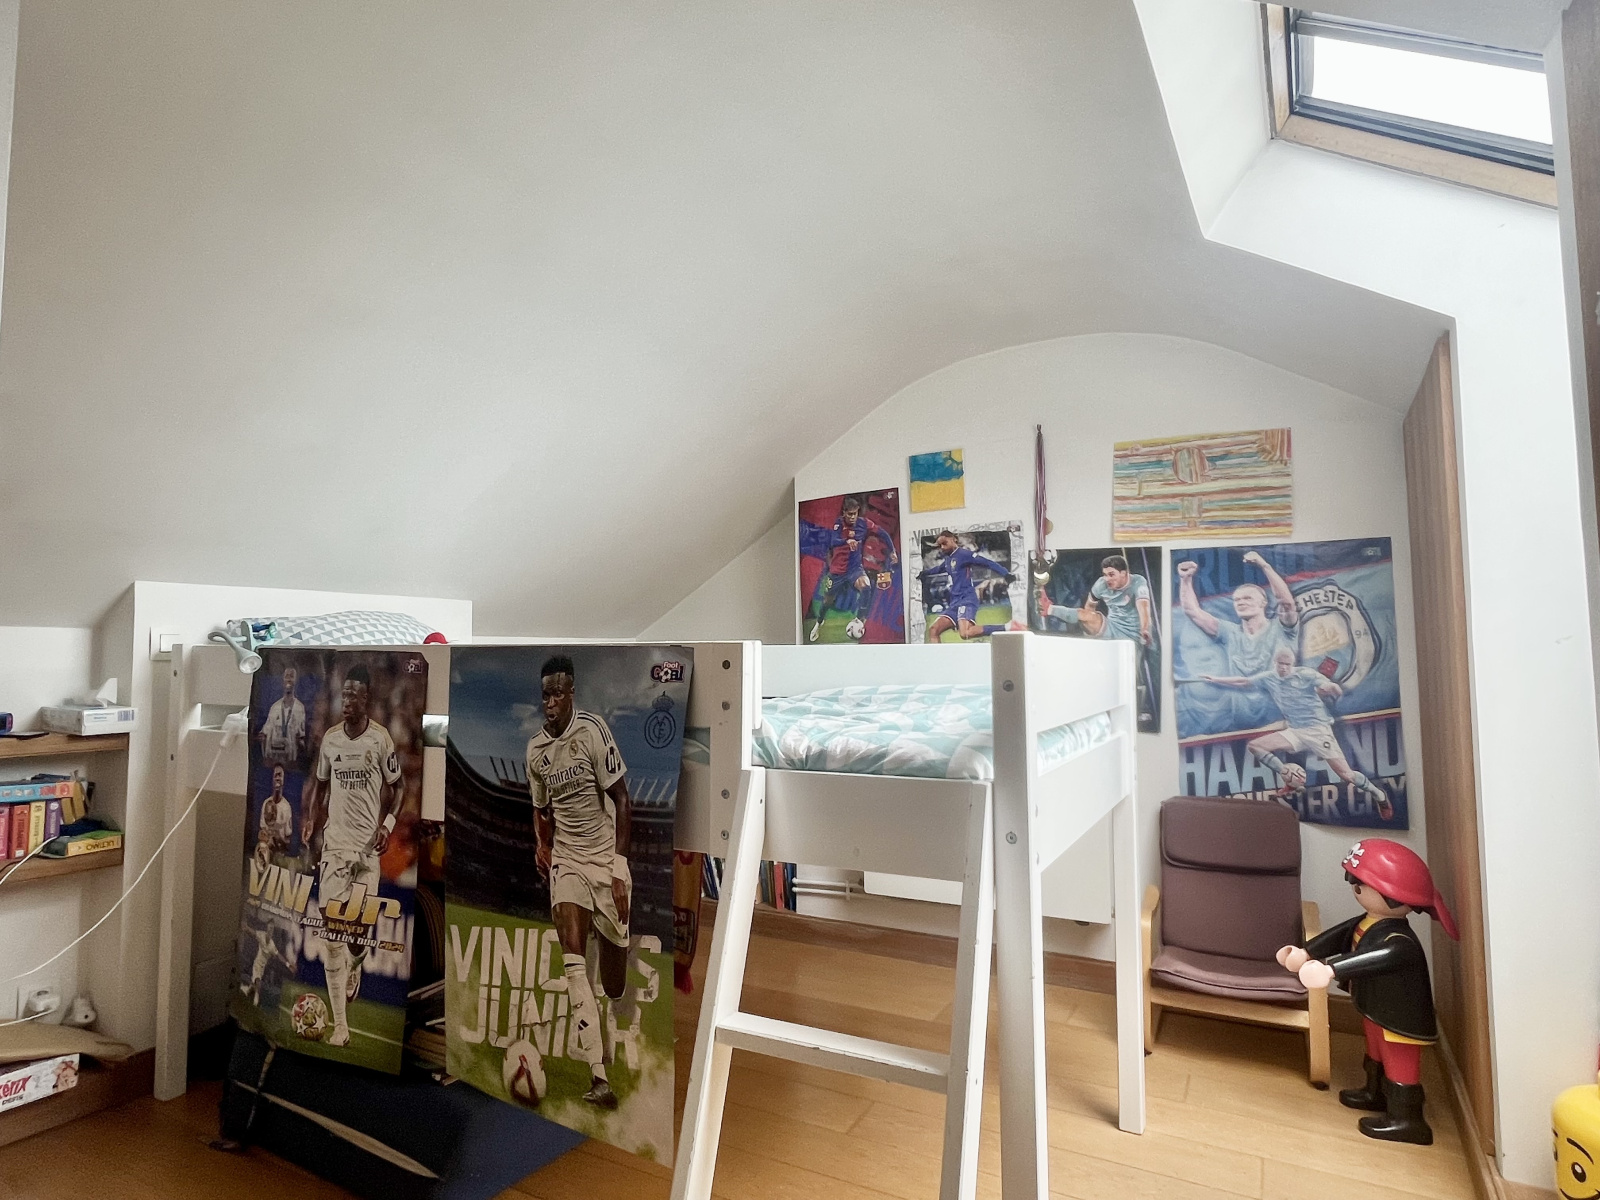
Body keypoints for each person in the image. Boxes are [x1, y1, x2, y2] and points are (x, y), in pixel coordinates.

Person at [1279, 839, 1458, 1145]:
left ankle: (1407, 1120)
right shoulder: (1368, 923)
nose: (1355, 889)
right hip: (1376, 1008)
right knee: (1375, 1051)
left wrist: (1331, 969)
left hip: (1400, 1017)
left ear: (1393, 896)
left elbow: (1371, 958)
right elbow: (1339, 936)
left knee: (1399, 1062)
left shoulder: (1398, 941)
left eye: (1359, 884)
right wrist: (1306, 953)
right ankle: (1374, 1092)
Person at [527, 654, 632, 1110]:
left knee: (614, 983)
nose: (550, 702)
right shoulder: (536, 751)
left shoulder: (592, 731)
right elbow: (540, 808)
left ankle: (615, 950)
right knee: (574, 963)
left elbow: (622, 799)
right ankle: (599, 1076)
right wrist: (543, 844)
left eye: (558, 693)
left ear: (572, 694)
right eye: (545, 695)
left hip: (605, 861)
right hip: (567, 861)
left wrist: (620, 868)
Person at [302, 664, 402, 1048]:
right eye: (343, 694)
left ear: (366, 699)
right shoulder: (330, 740)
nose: (346, 701)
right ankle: (340, 1028)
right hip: (335, 847)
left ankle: (356, 963)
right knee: (333, 936)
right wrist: (311, 820)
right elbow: (320, 785)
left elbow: (399, 788)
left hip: (367, 851)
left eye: (353, 695)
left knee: (357, 936)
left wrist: (387, 826)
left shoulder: (380, 739)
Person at [1203, 647, 1393, 818]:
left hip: (1318, 731)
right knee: (1256, 746)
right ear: (1275, 663)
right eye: (1281, 664)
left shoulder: (1305, 675)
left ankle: (1379, 795)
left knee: (1347, 775)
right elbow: (1243, 681)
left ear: (1292, 664)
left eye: (1287, 664)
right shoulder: (1269, 678)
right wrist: (1216, 679)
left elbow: (1328, 685)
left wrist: (1332, 688)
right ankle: (1289, 777)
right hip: (1295, 731)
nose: (1284, 668)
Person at [1176, 551, 1298, 675]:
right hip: (1238, 687)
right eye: (1237, 600)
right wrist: (1185, 579)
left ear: (1263, 603)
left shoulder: (1281, 628)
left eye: (1248, 598)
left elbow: (1287, 604)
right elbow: (1192, 611)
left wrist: (1265, 566)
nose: (1241, 602)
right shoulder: (1229, 632)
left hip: (1279, 688)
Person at [805, 496, 899, 642]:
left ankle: (858, 620)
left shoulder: (863, 523)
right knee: (827, 601)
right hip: (837, 572)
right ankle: (818, 623)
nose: (852, 517)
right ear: (844, 513)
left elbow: (882, 533)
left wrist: (892, 550)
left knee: (866, 586)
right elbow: (833, 541)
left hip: (854, 569)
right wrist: (847, 541)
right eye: (849, 514)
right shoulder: (839, 524)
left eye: (855, 513)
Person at [921, 531, 1019, 642]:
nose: (942, 547)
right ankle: (938, 654)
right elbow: (939, 569)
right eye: (940, 545)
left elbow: (986, 562)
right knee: (933, 630)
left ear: (954, 539)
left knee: (965, 633)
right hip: (954, 603)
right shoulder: (948, 559)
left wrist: (1005, 574)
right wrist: (923, 574)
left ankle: (1007, 627)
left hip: (966, 599)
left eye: (944, 543)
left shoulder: (964, 554)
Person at [260, 666, 307, 765]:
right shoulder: (275, 707)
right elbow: (265, 733)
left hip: (290, 758)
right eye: (286, 676)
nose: (289, 679)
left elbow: (301, 736)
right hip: (274, 755)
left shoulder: (299, 708)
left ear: (296, 681)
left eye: (291, 676)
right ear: (283, 681)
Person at [255, 765, 296, 867]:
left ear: (283, 780)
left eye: (280, 775)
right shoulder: (266, 803)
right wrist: (265, 837)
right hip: (266, 855)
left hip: (279, 857)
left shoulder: (286, 807)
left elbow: (288, 841)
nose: (277, 778)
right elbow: (262, 832)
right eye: (275, 775)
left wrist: (278, 838)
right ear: (272, 779)